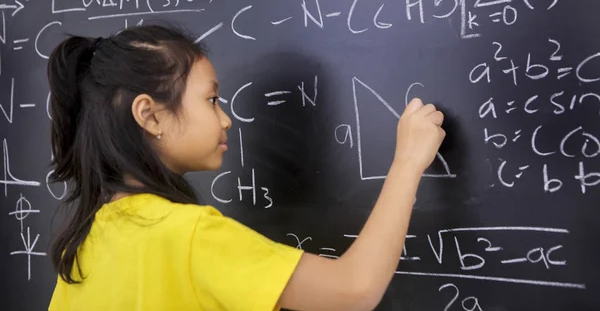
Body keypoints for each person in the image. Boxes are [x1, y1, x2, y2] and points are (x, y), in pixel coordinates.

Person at [47, 24, 445, 311]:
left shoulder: (83, 245)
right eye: (211, 100)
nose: (225, 119)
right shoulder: (189, 235)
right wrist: (408, 162)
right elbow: (354, 290)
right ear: (150, 116)